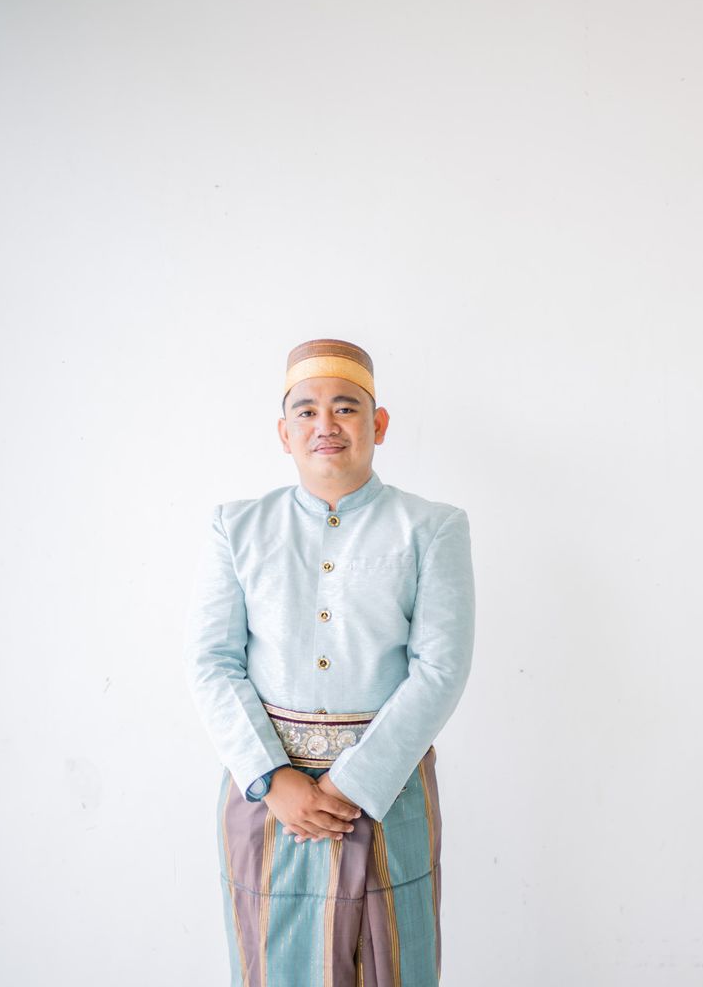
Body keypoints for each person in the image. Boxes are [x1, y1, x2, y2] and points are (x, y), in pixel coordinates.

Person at [186, 338, 475, 987]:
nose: (326, 425)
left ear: (379, 423)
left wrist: (351, 785)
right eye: (307, 411)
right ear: (283, 432)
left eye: (345, 408)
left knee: (390, 963)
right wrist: (273, 779)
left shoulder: (431, 528)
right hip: (268, 802)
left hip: (384, 795)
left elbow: (440, 669)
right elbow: (211, 662)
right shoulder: (236, 527)